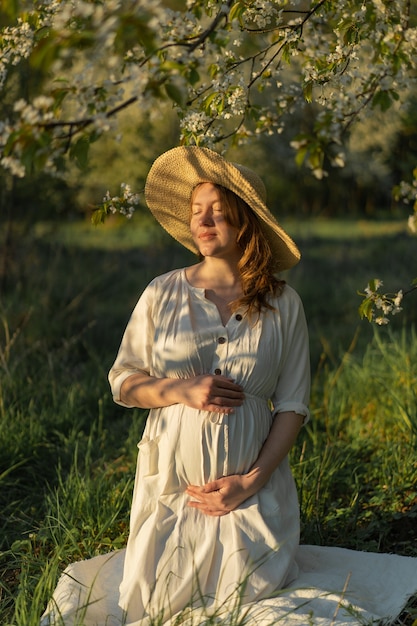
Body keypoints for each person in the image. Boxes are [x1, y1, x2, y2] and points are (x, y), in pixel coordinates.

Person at [108, 146, 311, 623]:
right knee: (156, 602)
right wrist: (179, 390)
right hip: (174, 491)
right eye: (197, 211)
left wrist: (249, 482)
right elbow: (123, 381)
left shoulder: (284, 303)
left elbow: (293, 405)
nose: (204, 221)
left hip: (253, 493)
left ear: (246, 224)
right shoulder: (163, 291)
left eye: (220, 212)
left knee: (251, 600)